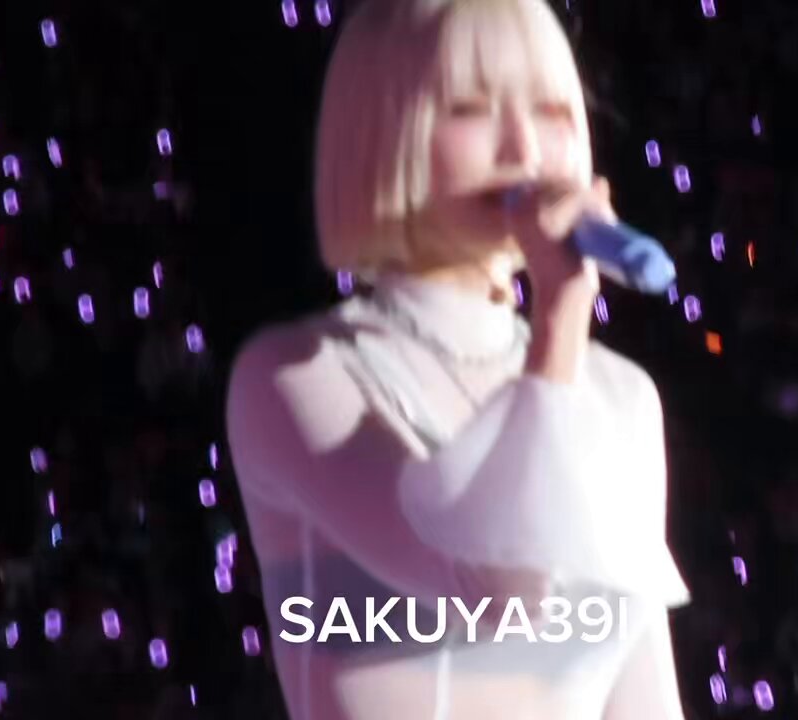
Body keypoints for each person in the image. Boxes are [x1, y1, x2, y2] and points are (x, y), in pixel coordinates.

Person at [225, 0, 692, 717]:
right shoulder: (297, 376)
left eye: (550, 111)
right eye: (471, 109)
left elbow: (645, 702)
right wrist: (560, 310)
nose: (524, 148)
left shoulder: (619, 397)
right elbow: (496, 594)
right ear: (381, 129)